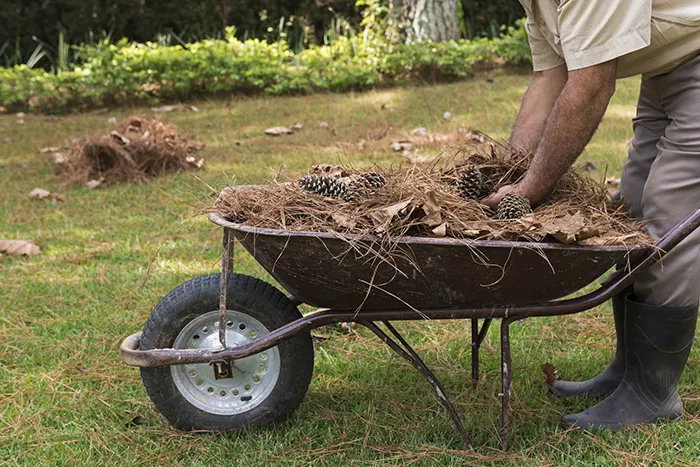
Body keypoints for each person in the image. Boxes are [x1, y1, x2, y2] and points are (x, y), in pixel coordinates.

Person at [482, 1, 700, 430]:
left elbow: (591, 85)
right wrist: (509, 170)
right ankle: (628, 368)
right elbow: (550, 77)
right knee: (632, 209)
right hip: (668, 67)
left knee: (668, 217)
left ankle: (653, 393)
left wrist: (529, 188)